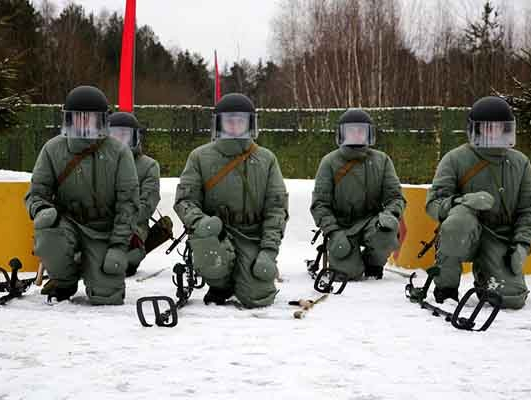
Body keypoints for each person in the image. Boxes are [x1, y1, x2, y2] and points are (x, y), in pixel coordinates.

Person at [25, 86, 139, 304]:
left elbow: (128, 203)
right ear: (69, 119)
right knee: (48, 235)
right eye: (78, 117)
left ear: (102, 120)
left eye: (90, 118)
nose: (84, 123)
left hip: (103, 230)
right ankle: (64, 280)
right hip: (67, 225)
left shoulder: (119, 152)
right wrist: (41, 210)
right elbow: (36, 192)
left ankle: (92, 268)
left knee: (107, 296)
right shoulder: (52, 149)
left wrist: (118, 245)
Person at [426, 96, 531, 309]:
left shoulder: (520, 162)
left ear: (507, 129)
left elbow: (530, 208)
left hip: (500, 237)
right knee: (459, 220)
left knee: (510, 299)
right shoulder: (455, 159)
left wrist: (522, 244)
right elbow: (433, 204)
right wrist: (461, 201)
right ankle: (446, 287)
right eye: (487, 127)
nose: (493, 133)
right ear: (475, 129)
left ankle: (487, 278)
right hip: (465, 233)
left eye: (499, 128)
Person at [174, 93, 288, 308]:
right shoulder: (199, 157)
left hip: (251, 236)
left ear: (250, 123)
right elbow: (185, 200)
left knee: (258, 297)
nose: (235, 126)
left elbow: (277, 208)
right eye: (229, 121)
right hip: (216, 235)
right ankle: (219, 285)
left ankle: (243, 277)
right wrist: (201, 222)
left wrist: (268, 251)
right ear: (219, 124)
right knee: (213, 259)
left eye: (240, 121)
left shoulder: (266, 159)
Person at [310, 109, 406, 281]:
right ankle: (350, 261)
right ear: (342, 134)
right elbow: (320, 204)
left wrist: (389, 216)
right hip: (341, 226)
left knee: (387, 231)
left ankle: (373, 264)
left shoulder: (382, 160)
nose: (356, 134)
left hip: (372, 223)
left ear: (369, 134)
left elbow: (395, 197)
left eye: (360, 130)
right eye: (351, 131)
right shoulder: (329, 162)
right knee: (347, 274)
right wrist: (333, 231)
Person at [108, 112, 161, 277]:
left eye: (124, 135)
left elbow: (147, 205)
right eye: (114, 135)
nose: (119, 140)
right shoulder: (97, 162)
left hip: (133, 227)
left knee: (125, 252)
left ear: (135, 137)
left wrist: (120, 220)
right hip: (98, 224)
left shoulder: (148, 166)